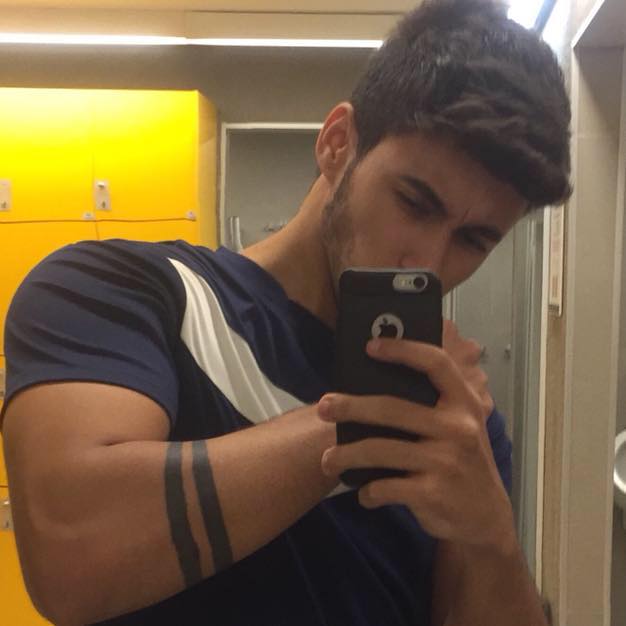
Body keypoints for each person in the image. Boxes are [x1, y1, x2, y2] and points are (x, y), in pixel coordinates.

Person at [1, 0, 571, 624]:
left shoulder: (457, 420)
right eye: (414, 202)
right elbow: (72, 555)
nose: (429, 262)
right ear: (337, 144)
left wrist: (489, 536)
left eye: (474, 240)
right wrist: (371, 418)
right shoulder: (124, 292)